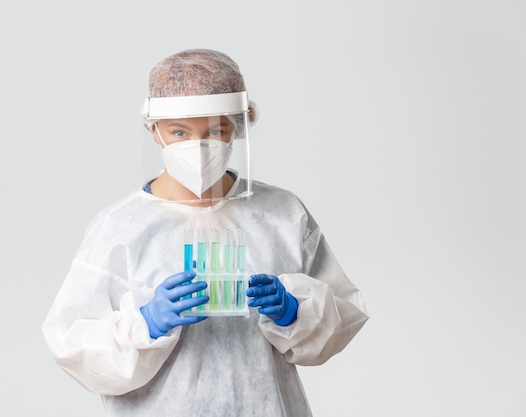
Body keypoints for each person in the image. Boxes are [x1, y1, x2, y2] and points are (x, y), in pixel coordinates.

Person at [42, 48, 369, 417]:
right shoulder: (120, 227)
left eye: (216, 130)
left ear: (239, 126)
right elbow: (72, 344)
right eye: (179, 131)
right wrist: (145, 324)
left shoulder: (281, 213)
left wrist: (296, 313)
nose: (197, 147)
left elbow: (344, 315)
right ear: (154, 131)